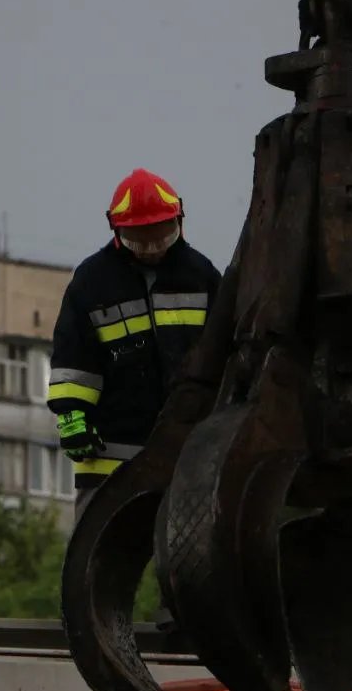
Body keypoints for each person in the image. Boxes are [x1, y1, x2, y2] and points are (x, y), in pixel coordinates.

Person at [47, 168, 222, 520]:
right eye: (140, 241)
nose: (152, 250)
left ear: (179, 221)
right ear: (116, 231)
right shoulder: (92, 283)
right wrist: (71, 416)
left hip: (185, 451)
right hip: (109, 454)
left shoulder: (201, 276)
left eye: (162, 237)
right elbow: (73, 356)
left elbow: (224, 351)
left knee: (193, 562)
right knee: (93, 557)